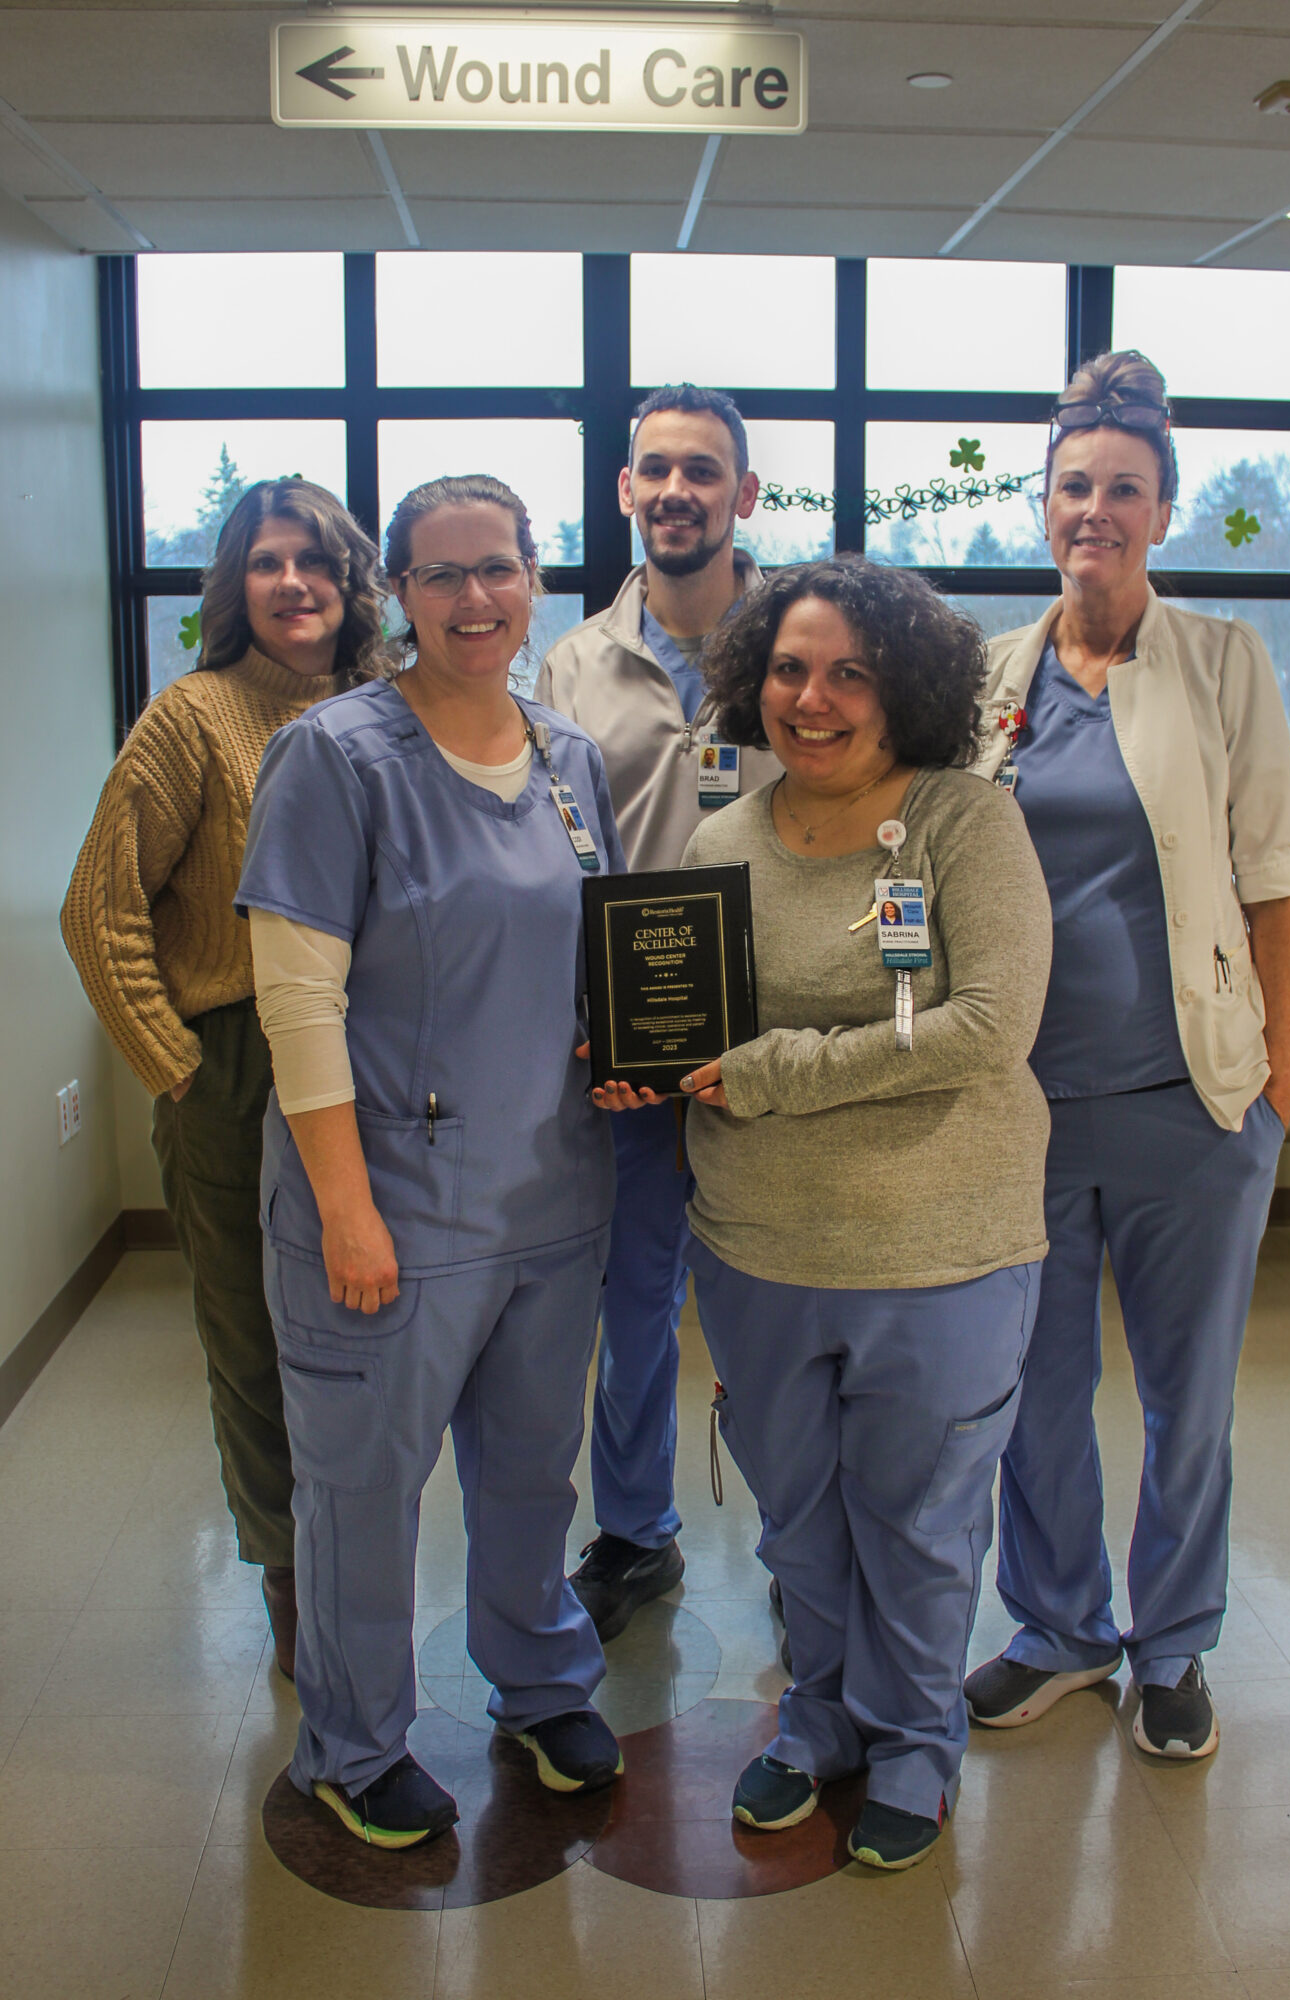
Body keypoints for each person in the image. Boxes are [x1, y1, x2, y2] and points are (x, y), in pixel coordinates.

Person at [597, 555, 1053, 1870]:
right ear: (754, 681)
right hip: (758, 1248)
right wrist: (641, 1060)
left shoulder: (968, 823)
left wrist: (773, 1071)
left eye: (852, 672)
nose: (814, 698)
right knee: (798, 1516)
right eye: (791, 669)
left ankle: (913, 1743)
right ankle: (821, 1720)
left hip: (939, 1249)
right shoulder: (723, 841)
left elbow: (990, 1026)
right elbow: (701, 1028)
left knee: (917, 1524)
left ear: (905, 687)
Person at [236, 473, 624, 1851]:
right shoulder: (336, 759)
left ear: (533, 580)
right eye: (442, 573)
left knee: (530, 1470)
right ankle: (354, 1744)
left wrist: (624, 1040)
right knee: (363, 1489)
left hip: (550, 1192)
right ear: (397, 590)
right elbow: (298, 1003)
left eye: (498, 568)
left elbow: (590, 954)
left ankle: (542, 1680)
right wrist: (346, 1209)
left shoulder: (570, 759)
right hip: (387, 1206)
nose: (475, 598)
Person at [964, 350, 1290, 1761]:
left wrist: (1276, 1089)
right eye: (1073, 487)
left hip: (1191, 1106)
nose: (1094, 510)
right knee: (1030, 1394)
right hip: (1022, 1110)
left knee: (1189, 1396)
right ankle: (1058, 1626)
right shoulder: (992, 675)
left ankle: (1173, 1641)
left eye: (1123, 488)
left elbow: (1276, 885)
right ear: (1042, 506)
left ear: (1162, 512)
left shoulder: (1222, 662)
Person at [62, 477, 388, 1680]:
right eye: (265, 560)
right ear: (233, 587)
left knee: (375, 1330)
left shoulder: (392, 709)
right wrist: (181, 1068)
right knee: (254, 1347)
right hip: (238, 1070)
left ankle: (366, 1558)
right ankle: (292, 1583)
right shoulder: (192, 717)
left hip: (378, 1064)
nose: (292, 581)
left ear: (352, 580)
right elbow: (99, 909)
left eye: (314, 558)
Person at [535, 385, 780, 1640]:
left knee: (779, 1311)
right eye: (657, 468)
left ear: (744, 493)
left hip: (777, 1052)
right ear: (627, 489)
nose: (678, 489)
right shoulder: (573, 664)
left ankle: (802, 1539)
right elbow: (549, 854)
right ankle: (636, 1533)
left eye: (704, 469)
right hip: (630, 1059)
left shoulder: (800, 642)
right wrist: (588, 1021)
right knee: (632, 1312)